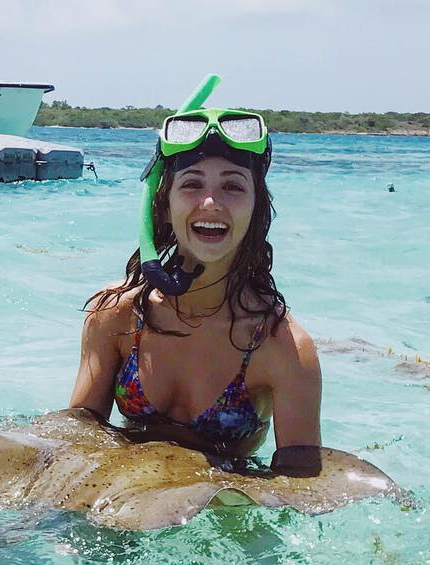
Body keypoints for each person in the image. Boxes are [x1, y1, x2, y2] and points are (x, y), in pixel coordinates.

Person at [70, 103, 322, 476]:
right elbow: (73, 443)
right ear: (163, 202)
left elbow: (300, 485)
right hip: (128, 494)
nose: (210, 203)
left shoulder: (283, 348)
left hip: (227, 505)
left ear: (257, 207)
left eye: (233, 186)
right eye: (191, 184)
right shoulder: (116, 315)